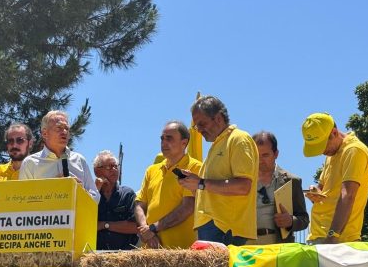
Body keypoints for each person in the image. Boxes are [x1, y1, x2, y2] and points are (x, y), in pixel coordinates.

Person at [178, 96, 258, 245]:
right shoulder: (216, 146)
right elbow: (209, 190)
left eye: (202, 123)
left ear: (219, 118)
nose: (199, 130)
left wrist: (201, 183)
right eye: (196, 126)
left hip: (226, 229)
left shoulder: (239, 139)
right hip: (213, 226)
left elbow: (243, 186)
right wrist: (195, 185)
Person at [302, 112, 368, 244]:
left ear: (334, 133)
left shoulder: (354, 150)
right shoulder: (332, 154)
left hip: (338, 239)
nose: (322, 151)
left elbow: (348, 195)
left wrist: (333, 235)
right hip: (319, 235)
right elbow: (323, 187)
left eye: (322, 145)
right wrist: (316, 191)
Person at [135, 121, 202, 249]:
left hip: (180, 251)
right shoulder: (151, 170)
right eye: (162, 138)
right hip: (150, 249)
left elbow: (187, 207)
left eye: (169, 138)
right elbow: (139, 204)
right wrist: (146, 231)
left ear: (184, 143)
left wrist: (153, 229)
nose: (164, 142)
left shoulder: (194, 167)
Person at [19, 110, 100, 202]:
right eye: (59, 128)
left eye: (67, 128)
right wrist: (54, 188)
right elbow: (23, 200)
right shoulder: (30, 163)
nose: (64, 131)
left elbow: (95, 196)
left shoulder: (79, 160)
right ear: (45, 133)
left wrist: (81, 192)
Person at [252, 131, 309, 244]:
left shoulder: (292, 181)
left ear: (276, 154)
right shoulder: (243, 180)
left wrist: (290, 221)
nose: (260, 160)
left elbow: (304, 220)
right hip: (245, 246)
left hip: (278, 246)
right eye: (256, 155)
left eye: (265, 155)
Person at [93, 150, 139, 250]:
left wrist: (104, 225)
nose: (114, 170)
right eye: (109, 167)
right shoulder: (89, 194)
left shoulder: (128, 194)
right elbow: (83, 223)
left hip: (125, 256)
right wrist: (95, 190)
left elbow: (136, 227)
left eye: (116, 166)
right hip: (95, 256)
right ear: (97, 171)